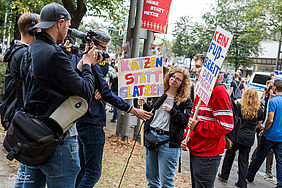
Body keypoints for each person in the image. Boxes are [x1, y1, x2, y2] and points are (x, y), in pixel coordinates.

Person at [21, 3, 99, 187]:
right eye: (68, 26)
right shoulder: (55, 54)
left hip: (34, 136)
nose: (67, 31)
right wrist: (87, 64)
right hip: (58, 142)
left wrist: (79, 67)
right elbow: (86, 92)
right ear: (60, 23)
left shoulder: (31, 50)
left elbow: (58, 82)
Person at [75, 31, 153, 188]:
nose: (104, 53)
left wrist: (98, 90)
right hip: (91, 121)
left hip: (82, 119)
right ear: (92, 46)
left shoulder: (85, 61)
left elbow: (100, 90)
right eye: (103, 48)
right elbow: (107, 92)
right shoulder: (88, 62)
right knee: (93, 173)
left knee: (83, 170)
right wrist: (134, 110)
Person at [181, 53, 233, 188]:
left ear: (209, 70)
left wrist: (197, 126)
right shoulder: (201, 88)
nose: (194, 70)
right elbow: (194, 117)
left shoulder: (218, 91)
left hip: (208, 154)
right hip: (196, 150)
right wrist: (187, 137)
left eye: (198, 67)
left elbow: (226, 125)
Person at [0, 12, 40, 188]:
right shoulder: (26, 54)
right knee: (28, 172)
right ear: (34, 30)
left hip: (15, 115)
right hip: (22, 119)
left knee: (25, 172)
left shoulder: (17, 50)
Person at [138, 67, 193, 187]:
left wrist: (172, 110)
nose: (174, 80)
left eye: (178, 79)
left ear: (183, 84)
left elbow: (185, 122)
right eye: (172, 77)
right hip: (152, 137)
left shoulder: (185, 101)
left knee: (166, 182)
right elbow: (151, 113)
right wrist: (143, 105)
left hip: (169, 143)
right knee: (152, 180)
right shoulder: (158, 93)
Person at [218, 88, 264, 188]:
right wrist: (253, 128)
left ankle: (224, 175)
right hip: (249, 137)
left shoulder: (239, 106)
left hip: (237, 135)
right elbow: (260, 122)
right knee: (244, 160)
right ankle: (242, 182)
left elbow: (232, 116)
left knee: (230, 154)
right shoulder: (259, 109)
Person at [247, 77, 282, 188]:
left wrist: (264, 131)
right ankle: (280, 183)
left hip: (270, 135)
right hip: (280, 137)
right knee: (280, 161)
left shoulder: (273, 102)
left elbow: (270, 120)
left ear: (275, 87)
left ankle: (250, 175)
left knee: (259, 156)